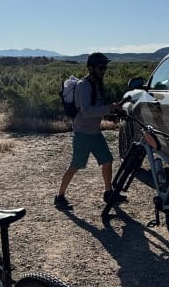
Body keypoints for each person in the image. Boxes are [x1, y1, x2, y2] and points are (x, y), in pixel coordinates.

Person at [54, 52, 126, 211]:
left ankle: (108, 192)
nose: (103, 70)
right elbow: (86, 111)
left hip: (94, 132)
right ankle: (59, 196)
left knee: (107, 160)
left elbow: (97, 108)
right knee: (76, 165)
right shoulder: (83, 85)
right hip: (83, 133)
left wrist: (111, 111)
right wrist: (109, 108)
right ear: (91, 68)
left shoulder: (97, 84)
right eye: (101, 67)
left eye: (105, 67)